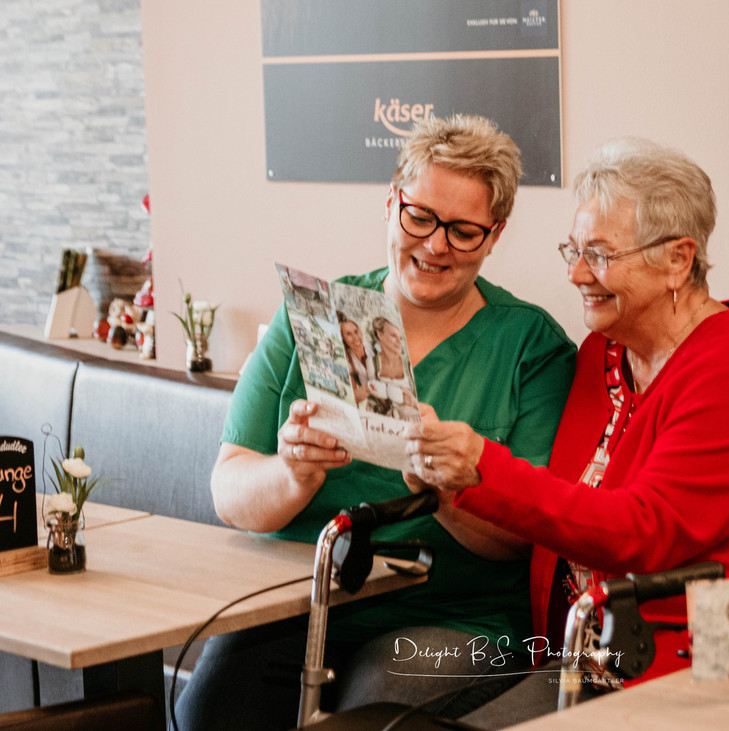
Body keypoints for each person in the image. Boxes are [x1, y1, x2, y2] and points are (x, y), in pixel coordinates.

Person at [404, 137, 729, 727]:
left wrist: (483, 465)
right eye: (574, 250)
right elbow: (566, 508)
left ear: (678, 259)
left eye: (600, 254)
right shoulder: (599, 353)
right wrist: (447, 480)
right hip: (589, 659)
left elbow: (643, 531)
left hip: (713, 670)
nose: (577, 273)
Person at [174, 115, 576, 730]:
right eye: (420, 217)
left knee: (369, 717)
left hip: (452, 620)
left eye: (463, 231)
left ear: (494, 236)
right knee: (208, 714)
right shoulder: (311, 318)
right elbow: (230, 493)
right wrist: (292, 475)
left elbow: (525, 536)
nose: (435, 245)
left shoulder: (531, 347)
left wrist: (446, 491)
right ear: (391, 204)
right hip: (297, 604)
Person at [339, 317, 371, 407]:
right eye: (349, 334)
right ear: (343, 338)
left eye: (356, 332)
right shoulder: (348, 362)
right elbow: (354, 396)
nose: (355, 338)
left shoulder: (374, 350)